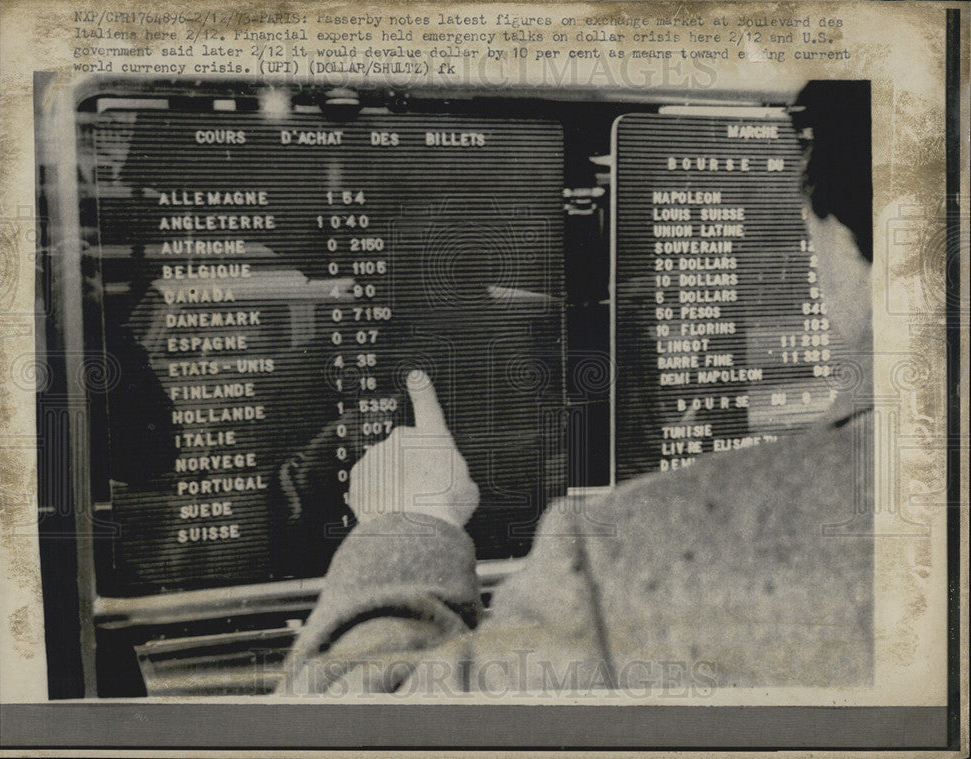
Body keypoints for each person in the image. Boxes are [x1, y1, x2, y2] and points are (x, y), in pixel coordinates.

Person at [283, 80, 875, 696]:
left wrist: (409, 523)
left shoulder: (616, 567)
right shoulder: (311, 373)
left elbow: (346, 729)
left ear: (835, 237)